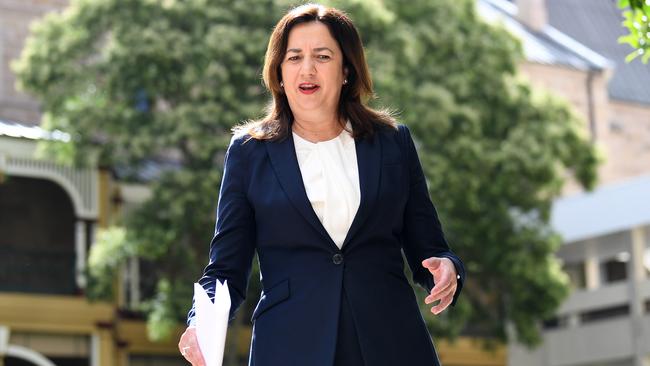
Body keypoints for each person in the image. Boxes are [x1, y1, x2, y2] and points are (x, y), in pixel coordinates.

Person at [178, 3, 465, 366]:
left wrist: (446, 268)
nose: (307, 68)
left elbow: (430, 246)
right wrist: (199, 323)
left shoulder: (392, 143)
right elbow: (225, 270)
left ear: (347, 69)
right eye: (294, 57)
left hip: (391, 341)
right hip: (289, 346)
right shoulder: (249, 153)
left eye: (323, 56)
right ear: (279, 72)